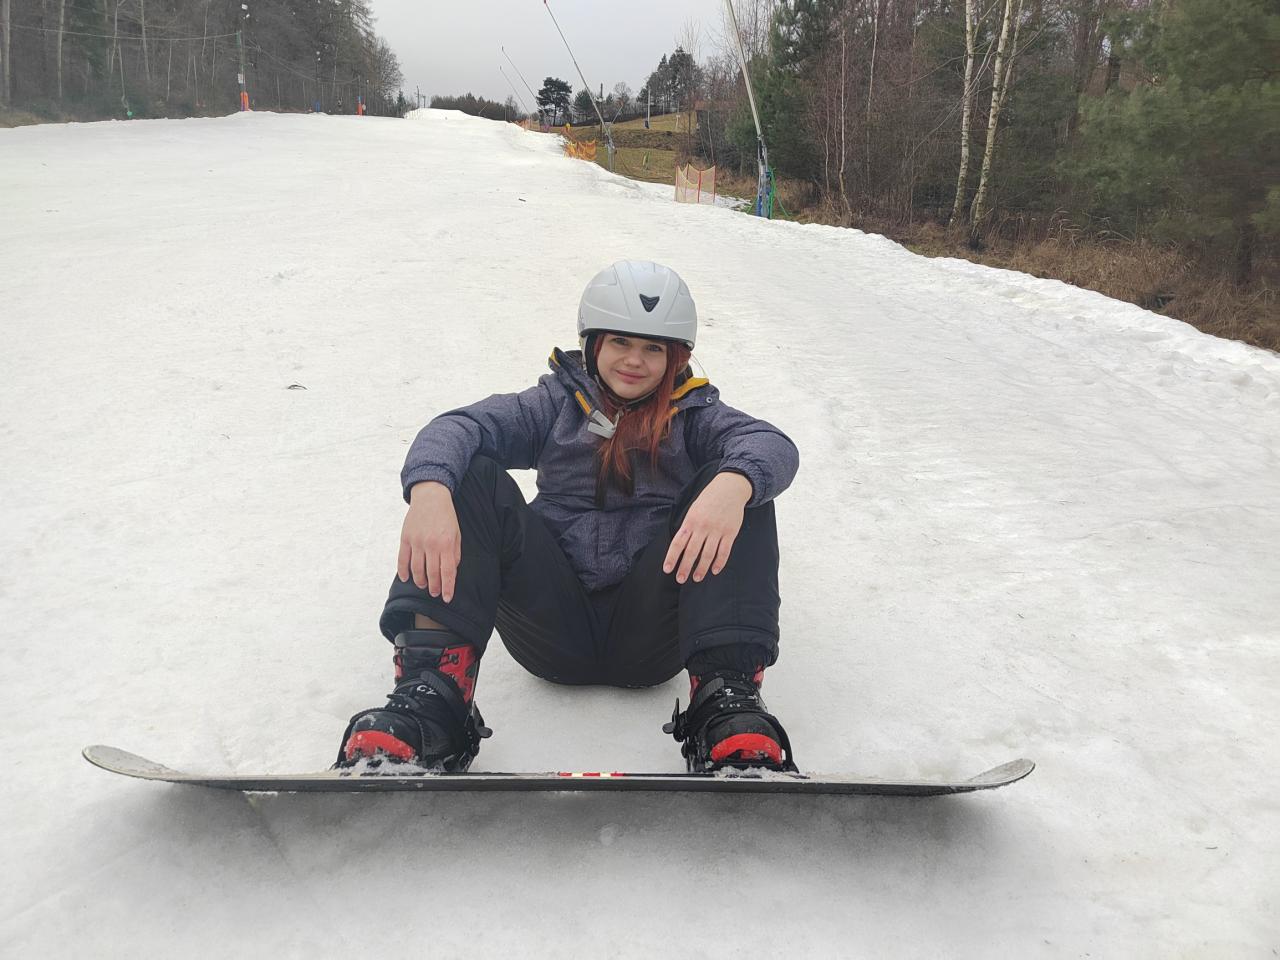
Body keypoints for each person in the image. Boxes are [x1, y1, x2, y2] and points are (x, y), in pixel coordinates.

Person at [336, 261, 800, 773]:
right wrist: (429, 491)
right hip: (550, 625)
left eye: (654, 348)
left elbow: (770, 444)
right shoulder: (554, 406)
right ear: (593, 343)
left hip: (651, 632)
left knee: (740, 484)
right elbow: (459, 426)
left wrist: (733, 485)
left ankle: (727, 702)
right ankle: (429, 700)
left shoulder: (695, 416)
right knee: (468, 474)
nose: (635, 360)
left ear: (677, 358)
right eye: (620, 341)